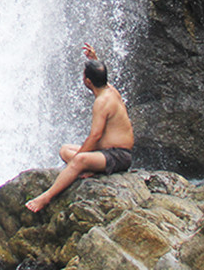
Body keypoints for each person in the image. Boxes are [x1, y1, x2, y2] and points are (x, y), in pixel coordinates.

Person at [24, 43, 134, 213]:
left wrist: (80, 157)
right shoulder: (111, 90)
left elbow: (95, 136)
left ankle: (45, 198)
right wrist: (94, 60)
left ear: (88, 82)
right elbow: (102, 79)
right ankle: (91, 168)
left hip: (118, 156)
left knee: (78, 160)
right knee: (65, 150)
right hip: (108, 152)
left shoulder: (102, 102)